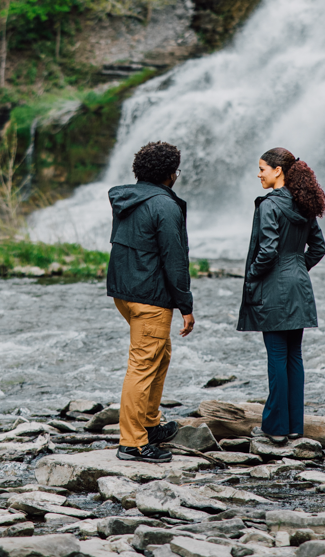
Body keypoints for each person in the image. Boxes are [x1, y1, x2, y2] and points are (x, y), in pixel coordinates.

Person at [106, 140, 196, 462]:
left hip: (125, 292)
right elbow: (175, 260)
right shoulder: (165, 206)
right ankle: (132, 443)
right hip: (150, 297)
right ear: (171, 174)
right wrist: (186, 305)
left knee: (160, 354)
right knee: (142, 366)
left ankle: (149, 423)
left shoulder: (129, 199)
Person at [236, 147, 325, 443]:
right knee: (293, 357)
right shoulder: (303, 203)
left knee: (277, 356)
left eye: (262, 168)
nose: (259, 174)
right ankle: (293, 426)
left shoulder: (269, 205)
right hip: (299, 285)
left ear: (278, 171)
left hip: (274, 287)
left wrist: (252, 275)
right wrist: (298, 267)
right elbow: (318, 248)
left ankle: (275, 428)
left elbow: (267, 250)